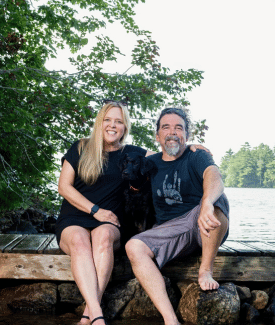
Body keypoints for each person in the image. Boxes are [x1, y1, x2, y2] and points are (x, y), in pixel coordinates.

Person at [56, 102, 206, 325]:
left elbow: (169, 150)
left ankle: (89, 314)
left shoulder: (133, 153)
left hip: (110, 220)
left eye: (119, 121)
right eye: (108, 120)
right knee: (79, 241)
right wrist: (95, 210)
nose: (112, 125)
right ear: (100, 123)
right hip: (76, 216)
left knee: (103, 237)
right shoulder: (80, 147)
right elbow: (63, 187)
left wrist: (192, 146)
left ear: (125, 127)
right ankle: (95, 315)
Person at [126, 107, 229, 325]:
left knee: (219, 199)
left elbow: (214, 175)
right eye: (166, 127)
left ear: (187, 135)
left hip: (203, 223)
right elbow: (122, 157)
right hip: (171, 230)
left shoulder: (197, 155)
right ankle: (170, 319)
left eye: (178, 128)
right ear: (157, 136)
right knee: (133, 247)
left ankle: (205, 271)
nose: (172, 132)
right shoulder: (150, 162)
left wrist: (207, 203)